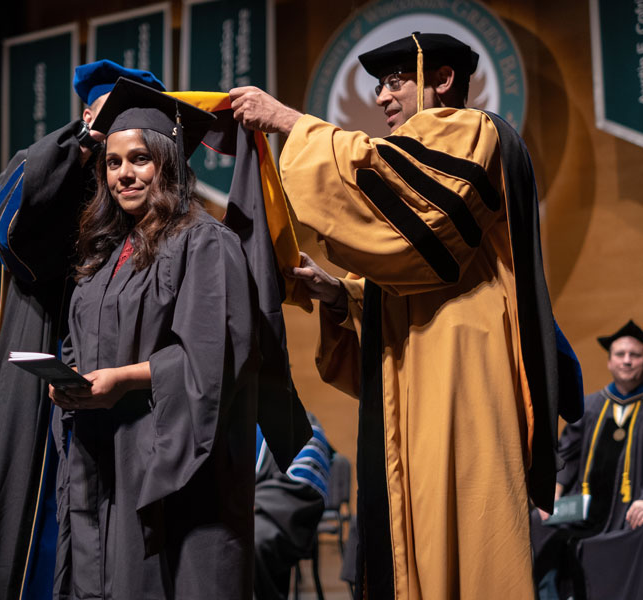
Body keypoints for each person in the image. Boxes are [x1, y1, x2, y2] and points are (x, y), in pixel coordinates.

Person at [229, 32, 583, 598]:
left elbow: (422, 235)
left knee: (468, 534)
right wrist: (339, 294)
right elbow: (412, 280)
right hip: (421, 373)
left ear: (442, 80)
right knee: (414, 528)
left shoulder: (472, 132)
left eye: (396, 82)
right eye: (379, 86)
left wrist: (289, 120)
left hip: (466, 372)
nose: (382, 99)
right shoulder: (424, 158)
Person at [48, 78, 260, 599]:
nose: (124, 174)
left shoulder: (206, 244)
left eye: (139, 159)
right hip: (105, 459)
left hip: (171, 467)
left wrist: (124, 380)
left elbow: (212, 361)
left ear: (167, 161)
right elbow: (79, 344)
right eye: (114, 163)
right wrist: (66, 383)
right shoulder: (102, 258)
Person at [0, 61, 166, 600]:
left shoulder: (148, 205)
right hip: (44, 368)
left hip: (123, 389)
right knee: (37, 517)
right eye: (109, 124)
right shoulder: (59, 181)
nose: (122, 164)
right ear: (86, 117)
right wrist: (81, 142)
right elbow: (6, 222)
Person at [535, 319, 643, 599]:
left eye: (635, 355)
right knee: (536, 522)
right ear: (609, 362)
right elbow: (566, 454)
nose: (627, 361)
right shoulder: (592, 406)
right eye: (620, 354)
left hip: (629, 513)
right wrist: (553, 494)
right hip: (582, 508)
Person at [254, 413, 332, 600]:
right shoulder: (221, 418)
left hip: (269, 514)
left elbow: (304, 481)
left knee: (247, 539)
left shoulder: (295, 419)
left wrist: (249, 506)